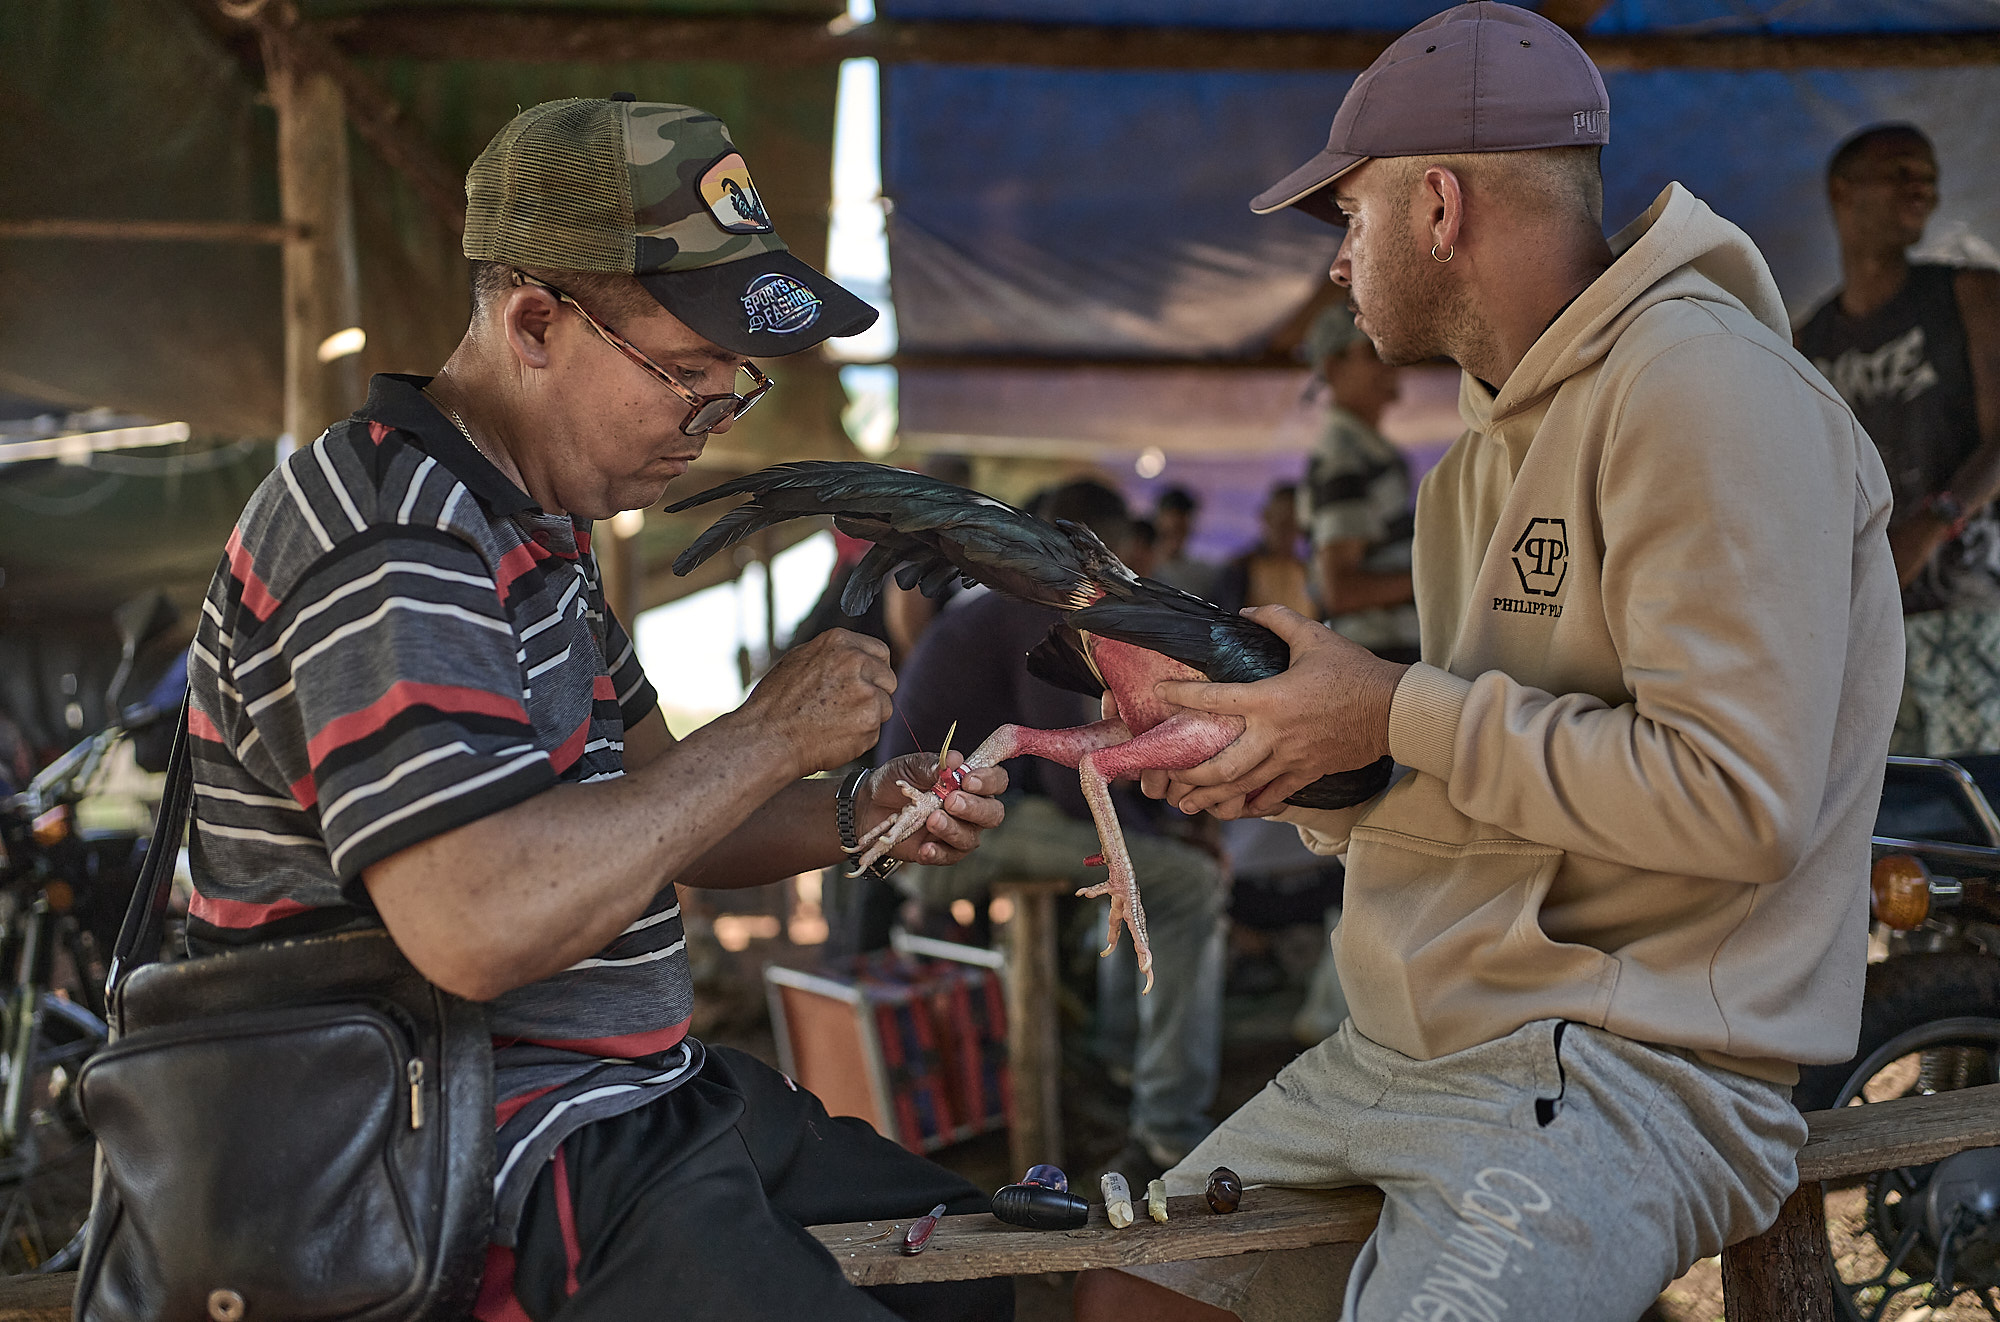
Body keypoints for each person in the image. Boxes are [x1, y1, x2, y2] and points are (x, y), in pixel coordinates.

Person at [1075, 6, 1902, 1319]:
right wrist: (1311, 765)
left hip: (1634, 1067)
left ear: (1441, 204)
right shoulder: (1475, 466)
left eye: (1350, 218)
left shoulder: (1706, 391)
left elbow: (1740, 802)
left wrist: (1395, 706)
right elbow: (1500, 780)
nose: (1340, 266)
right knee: (1122, 1296)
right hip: (1418, 1038)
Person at [183, 97, 1013, 1322]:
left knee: (987, 1274)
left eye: (732, 381)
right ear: (531, 321)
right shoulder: (389, 537)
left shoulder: (533, 535)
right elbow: (474, 922)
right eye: (684, 374)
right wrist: (769, 730)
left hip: (622, 1096)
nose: (713, 417)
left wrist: (849, 808)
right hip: (461, 1147)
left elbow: (669, 812)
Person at [874, 479, 1227, 1184]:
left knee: (1154, 867)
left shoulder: (1007, 602)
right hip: (939, 833)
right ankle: (1165, 1130)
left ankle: (1124, 1065)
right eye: (1131, 559)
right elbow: (1078, 775)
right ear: (1110, 551)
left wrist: (1160, 827)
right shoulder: (1043, 609)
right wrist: (1170, 836)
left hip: (955, 817)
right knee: (1188, 883)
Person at [1797, 123, 2000, 757]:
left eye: (1930, 179)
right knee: (1890, 820)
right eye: (1902, 173)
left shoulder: (1970, 294)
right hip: (1861, 629)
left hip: (1969, 615)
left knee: (1972, 821)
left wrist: (1933, 521)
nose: (1922, 189)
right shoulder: (1808, 341)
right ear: (1843, 190)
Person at [1298, 304, 1419, 665]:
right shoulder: (1343, 457)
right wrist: (1440, 576)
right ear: (1333, 368)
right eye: (1372, 350)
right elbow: (1341, 591)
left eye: (1389, 346)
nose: (1390, 359)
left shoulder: (1366, 450)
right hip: (1379, 658)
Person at [1216, 482, 1317, 620]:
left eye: (1292, 525)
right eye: (1281, 523)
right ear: (1266, 518)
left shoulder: (1308, 571)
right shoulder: (1241, 568)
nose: (1286, 533)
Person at [1151, 485, 1222, 599]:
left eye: (1180, 530)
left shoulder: (1202, 574)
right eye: (1170, 531)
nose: (1175, 536)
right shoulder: (1140, 566)